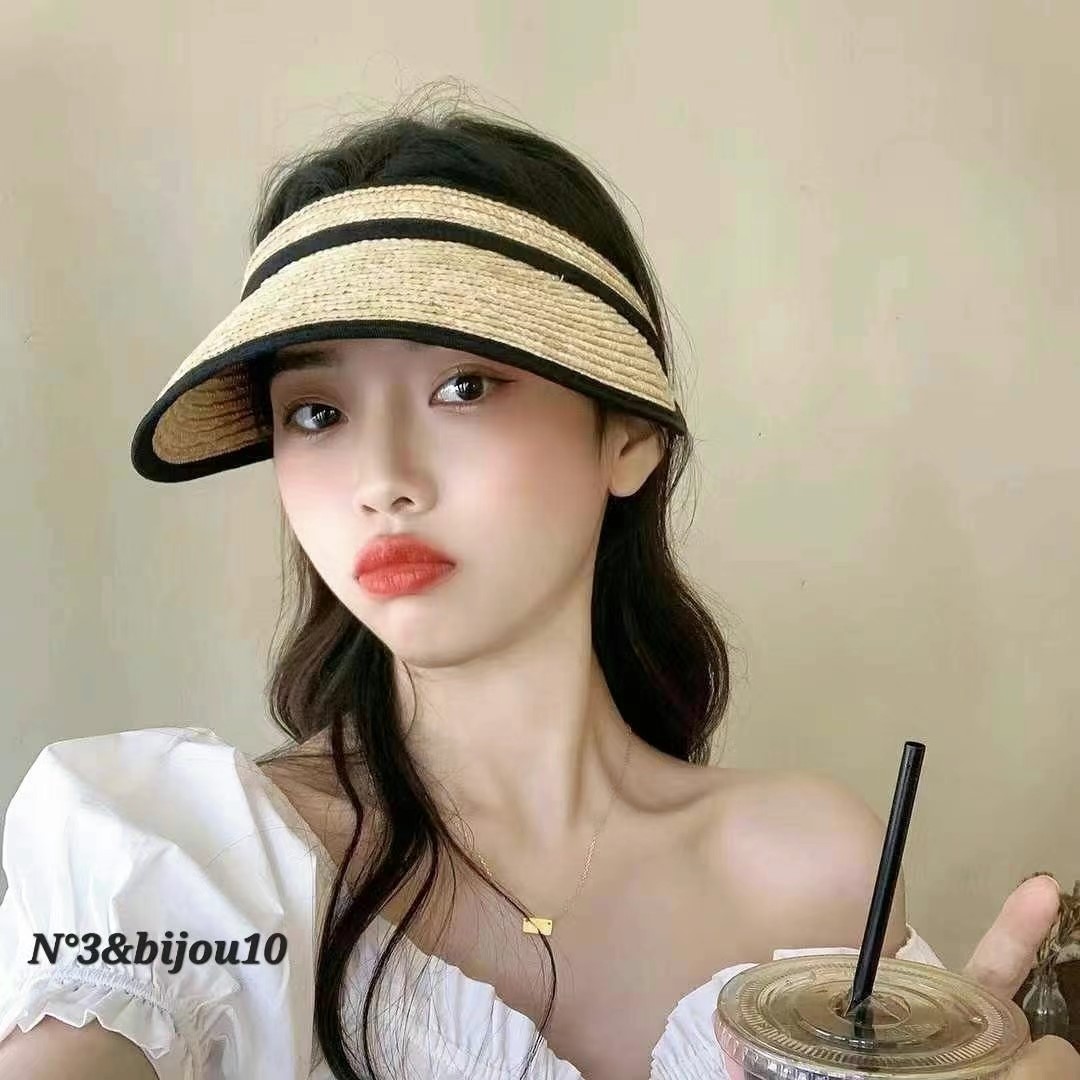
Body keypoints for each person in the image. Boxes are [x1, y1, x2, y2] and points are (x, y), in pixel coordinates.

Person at [0, 90, 1076, 1080]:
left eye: (464, 386)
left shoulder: (814, 869)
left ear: (629, 436)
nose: (382, 480)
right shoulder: (185, 862)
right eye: (317, 412)